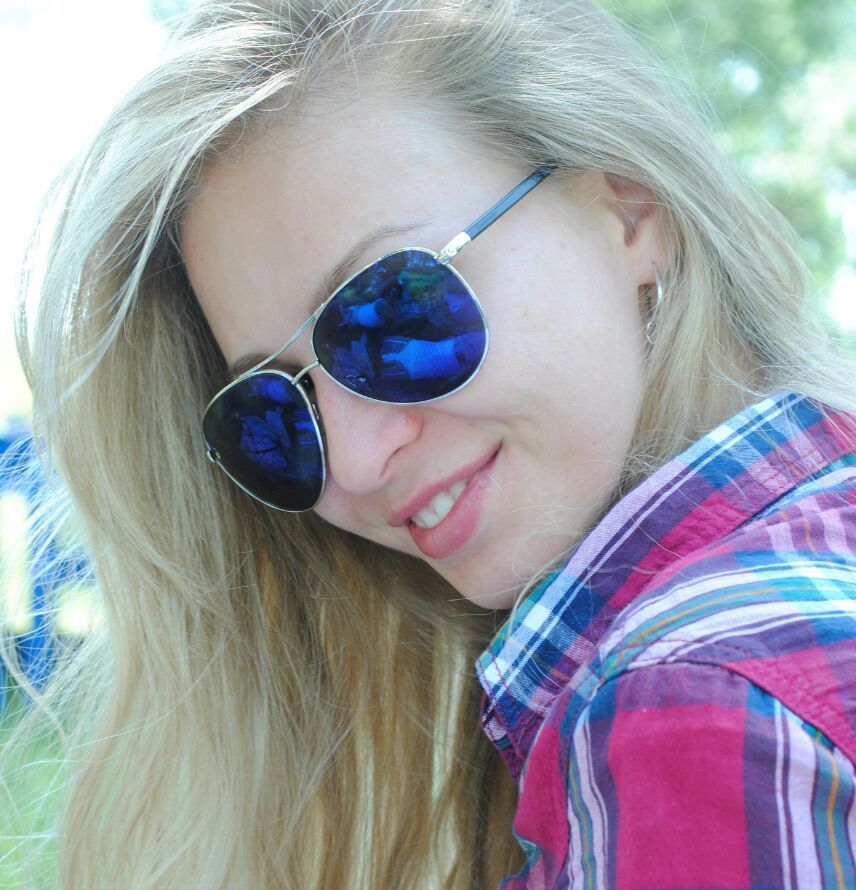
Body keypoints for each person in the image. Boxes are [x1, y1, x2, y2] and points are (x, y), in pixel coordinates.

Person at [6, 0, 856, 887]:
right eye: (271, 415)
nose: (354, 461)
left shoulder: (695, 712)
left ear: (628, 204)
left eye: (390, 316)